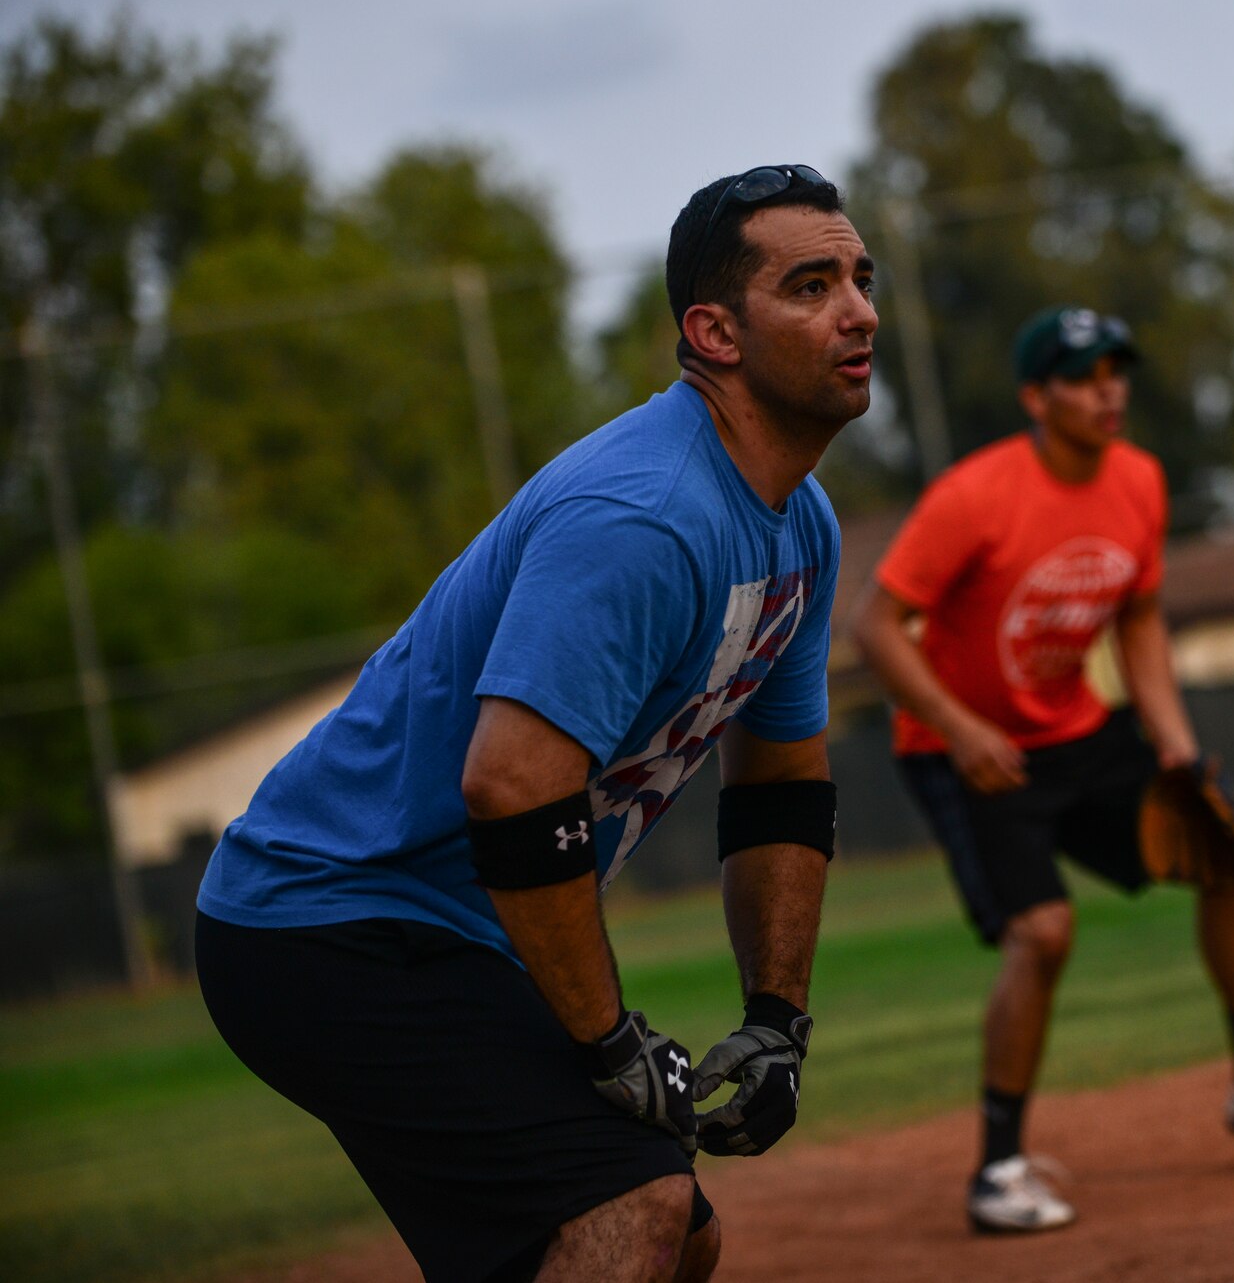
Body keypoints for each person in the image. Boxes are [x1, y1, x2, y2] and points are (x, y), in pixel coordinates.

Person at [195, 164, 876, 1283]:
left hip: (440, 934)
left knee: (675, 1237)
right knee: (633, 1210)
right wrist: (606, 1039)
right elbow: (509, 786)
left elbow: (782, 791)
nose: (857, 309)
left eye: (858, 276)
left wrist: (775, 1024)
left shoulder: (800, 523)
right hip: (329, 925)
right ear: (711, 332)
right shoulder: (644, 516)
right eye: (809, 285)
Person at [852, 305, 1234, 1236]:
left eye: (1116, 370)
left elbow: (1139, 618)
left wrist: (1175, 742)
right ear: (1035, 396)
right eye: (1085, 374)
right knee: (1044, 932)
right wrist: (955, 722)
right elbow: (875, 625)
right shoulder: (976, 496)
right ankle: (998, 1169)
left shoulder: (1137, 481)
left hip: (1079, 731)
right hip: (965, 750)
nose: (1109, 389)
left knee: (1229, 847)